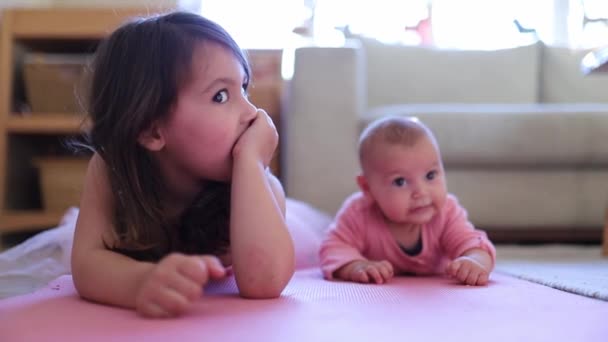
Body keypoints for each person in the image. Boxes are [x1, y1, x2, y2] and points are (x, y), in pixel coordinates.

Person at [70, 11, 295, 318]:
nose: (251, 112)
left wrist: (252, 164)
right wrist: (141, 283)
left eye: (243, 88)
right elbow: (87, 264)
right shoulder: (114, 169)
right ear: (152, 131)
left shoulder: (257, 182)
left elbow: (264, 282)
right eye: (220, 96)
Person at [319, 116, 495, 286]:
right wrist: (356, 266)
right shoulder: (358, 213)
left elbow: (472, 243)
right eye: (400, 181)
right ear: (368, 188)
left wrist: (474, 262)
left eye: (430, 175)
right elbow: (333, 247)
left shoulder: (446, 212)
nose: (420, 192)